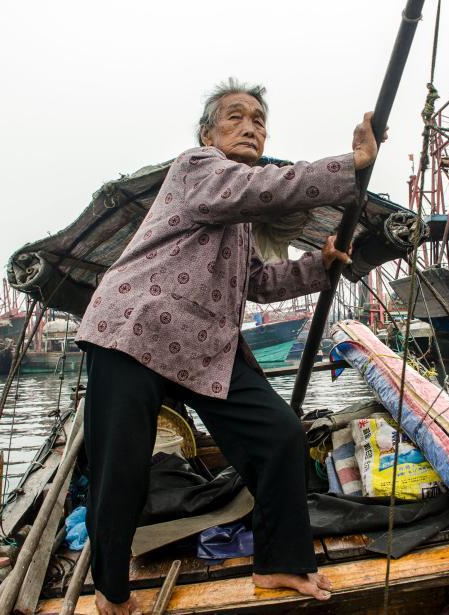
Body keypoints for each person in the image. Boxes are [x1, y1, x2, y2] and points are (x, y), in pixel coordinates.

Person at [75, 77, 380, 615]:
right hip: (135, 329)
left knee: (280, 434)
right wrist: (350, 165)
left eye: (259, 120)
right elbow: (260, 189)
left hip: (203, 347)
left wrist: (320, 265)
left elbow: (259, 283)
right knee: (120, 467)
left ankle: (279, 563)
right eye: (235, 117)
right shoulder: (199, 169)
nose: (250, 127)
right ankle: (111, 591)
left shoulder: (237, 221)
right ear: (207, 134)